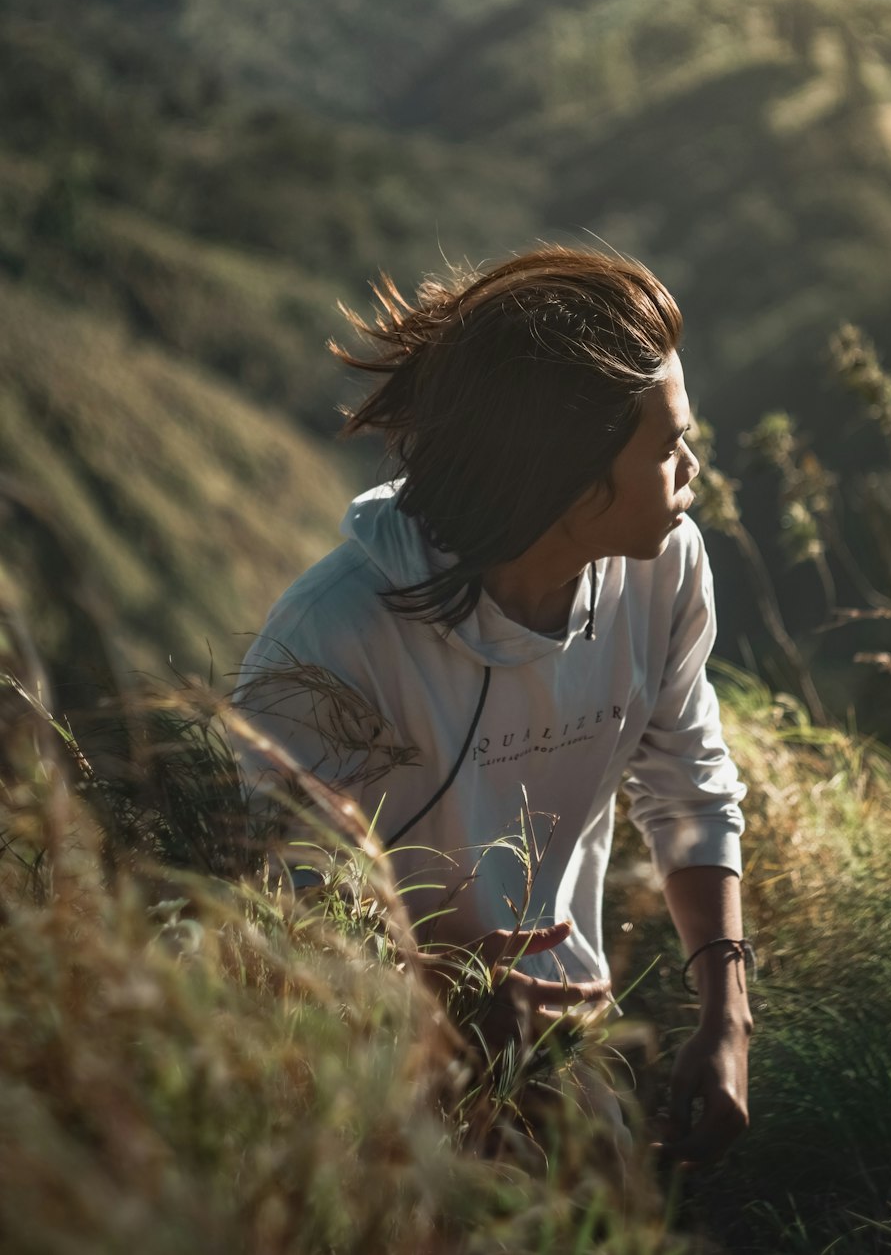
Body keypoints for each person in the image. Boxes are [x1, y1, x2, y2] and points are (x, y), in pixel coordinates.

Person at [235, 245, 752, 1166]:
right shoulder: (329, 639)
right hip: (357, 1097)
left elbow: (689, 785)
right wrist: (440, 989)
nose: (692, 465)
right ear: (563, 476)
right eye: (666, 444)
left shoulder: (663, 568)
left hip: (559, 1062)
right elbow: (277, 909)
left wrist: (727, 1017)